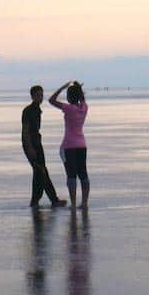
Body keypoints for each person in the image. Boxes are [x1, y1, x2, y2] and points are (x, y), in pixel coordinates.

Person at [49, 80, 90, 208]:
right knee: (83, 174)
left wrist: (62, 87)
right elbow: (82, 99)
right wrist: (78, 88)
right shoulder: (84, 108)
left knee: (71, 175)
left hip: (68, 146)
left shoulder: (68, 108)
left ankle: (73, 204)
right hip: (82, 145)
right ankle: (84, 202)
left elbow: (51, 100)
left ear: (68, 97)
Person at [22, 85, 64, 208]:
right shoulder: (28, 110)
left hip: (37, 143)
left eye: (41, 95)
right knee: (41, 172)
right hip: (30, 144)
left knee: (40, 172)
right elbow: (25, 131)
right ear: (32, 96)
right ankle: (49, 200)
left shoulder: (37, 110)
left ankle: (38, 200)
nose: (40, 97)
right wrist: (29, 148)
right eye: (38, 95)